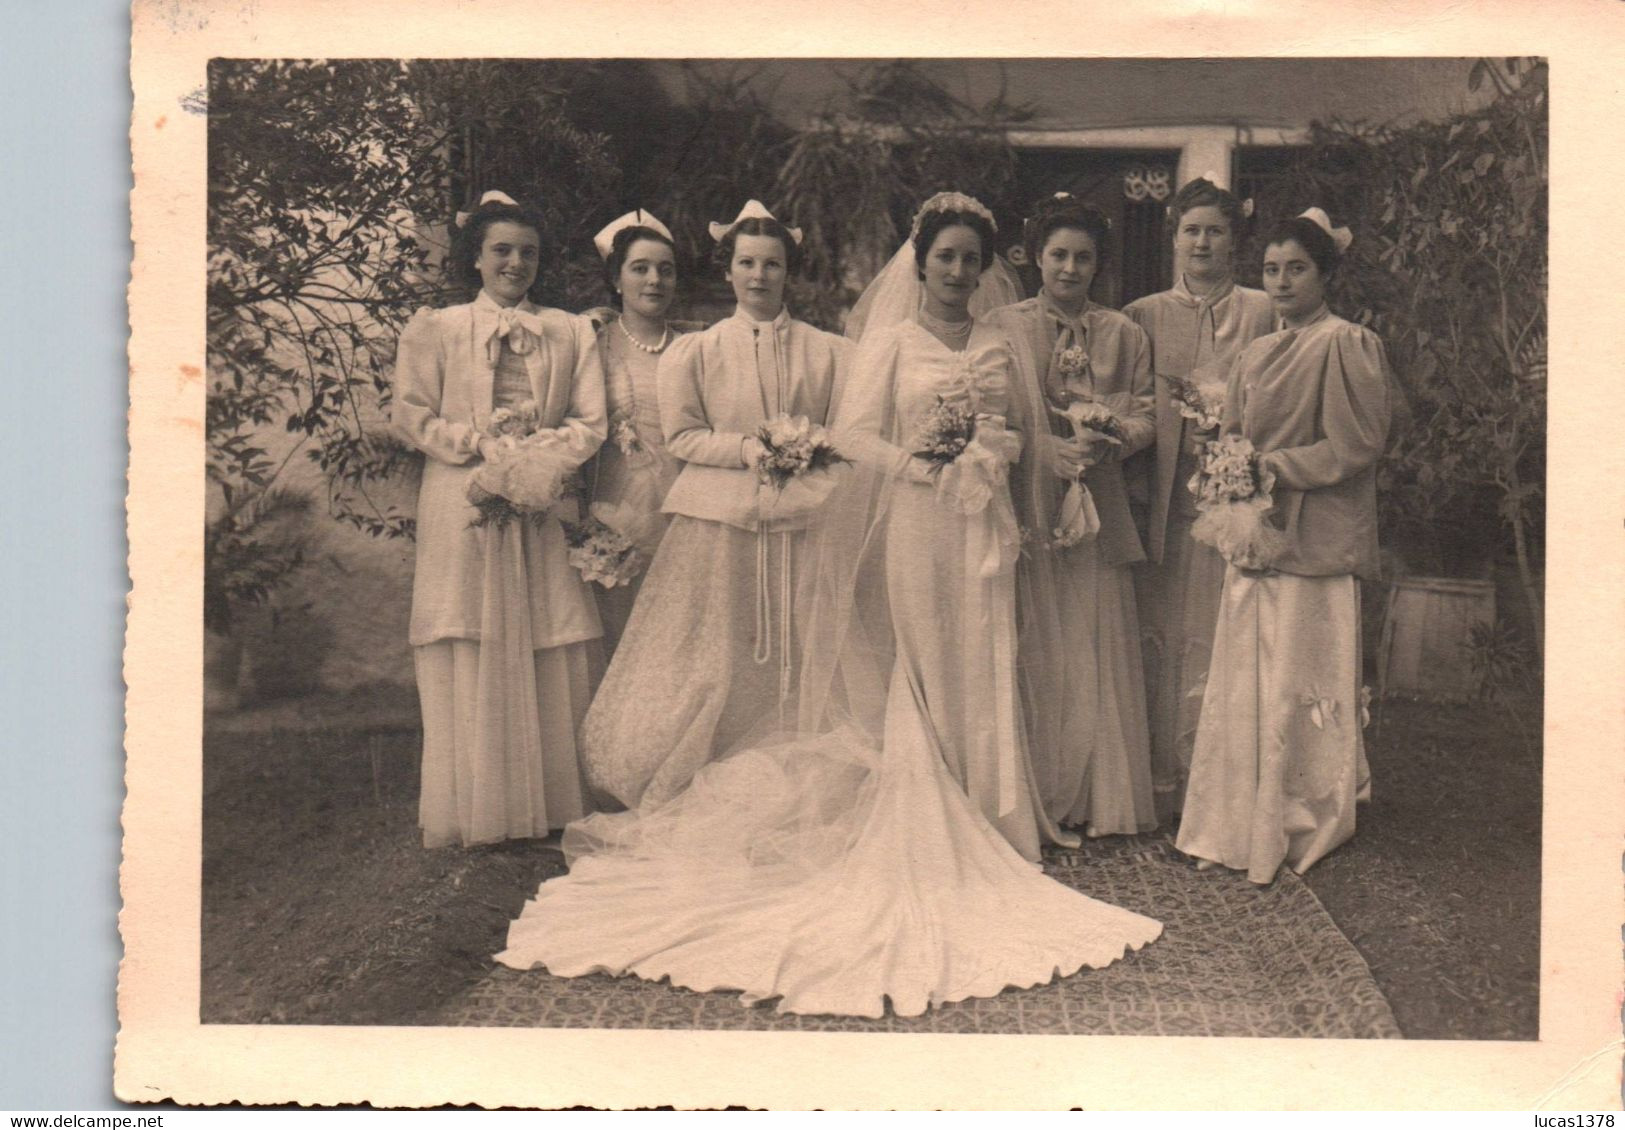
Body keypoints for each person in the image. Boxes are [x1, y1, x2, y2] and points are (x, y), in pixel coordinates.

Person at [495, 192, 1160, 1019]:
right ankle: (930, 811)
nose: (955, 272)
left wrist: (995, 451)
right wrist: (923, 466)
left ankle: (997, 818)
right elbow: (853, 435)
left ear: (983, 269)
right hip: (919, 520)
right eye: (943, 257)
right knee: (924, 660)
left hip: (981, 520)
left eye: (968, 260)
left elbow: (1020, 428)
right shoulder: (889, 342)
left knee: (988, 651)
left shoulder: (1000, 340)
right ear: (920, 265)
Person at [578, 201, 849, 811]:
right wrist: (751, 448)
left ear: (788, 272)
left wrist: (807, 449)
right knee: (719, 657)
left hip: (804, 521)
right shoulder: (695, 353)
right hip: (720, 522)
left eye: (772, 264)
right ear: (728, 272)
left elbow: (841, 432)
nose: (759, 276)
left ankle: (794, 766)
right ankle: (715, 768)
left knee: (797, 643)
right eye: (747, 263)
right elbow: (683, 437)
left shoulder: (827, 351)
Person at [1176, 208, 1391, 885]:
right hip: (1257, 532)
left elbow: (1356, 444)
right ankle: (1238, 809)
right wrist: (1228, 471)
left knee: (1302, 675)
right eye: (1270, 270)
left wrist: (1273, 467)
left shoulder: (1346, 343)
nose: (1280, 281)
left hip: (1316, 539)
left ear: (1325, 274)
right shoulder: (1256, 351)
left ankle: (1305, 808)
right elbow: (1233, 433)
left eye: (1296, 268)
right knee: (1248, 674)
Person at [392, 190, 607, 847]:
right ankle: (478, 808)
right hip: (463, 499)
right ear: (476, 260)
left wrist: (536, 460)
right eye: (502, 251)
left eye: (528, 253)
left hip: (537, 502)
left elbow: (590, 421)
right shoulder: (438, 328)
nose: (515, 263)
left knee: (546, 632)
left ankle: (548, 806)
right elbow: (411, 414)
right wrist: (482, 447)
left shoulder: (569, 332)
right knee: (470, 632)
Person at [989, 193, 1158, 837]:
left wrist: (1111, 431)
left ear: (1098, 266)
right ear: (1036, 258)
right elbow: (993, 415)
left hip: (1102, 499)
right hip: (1031, 501)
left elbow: (1147, 413)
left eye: (1083, 257)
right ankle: (1042, 790)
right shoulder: (1005, 326)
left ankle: (1098, 794)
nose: (1069, 268)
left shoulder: (1123, 333)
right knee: (1039, 635)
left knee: (1094, 638)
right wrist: (1041, 447)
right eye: (1058, 254)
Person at [1123, 177, 1275, 822]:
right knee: (1160, 635)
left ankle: (1219, 788)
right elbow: (1129, 405)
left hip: (1233, 503)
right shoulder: (1143, 315)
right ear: (1174, 237)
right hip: (1162, 501)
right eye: (1192, 230)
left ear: (1234, 239)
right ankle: (1159, 779)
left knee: (1223, 633)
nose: (1203, 242)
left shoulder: (1263, 311)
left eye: (1215, 230)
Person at [580, 210, 698, 653]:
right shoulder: (591, 338)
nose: (654, 280)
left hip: (682, 507)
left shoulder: (694, 346)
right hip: (615, 507)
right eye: (640, 268)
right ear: (616, 279)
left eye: (665, 271)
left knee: (677, 639)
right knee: (617, 635)